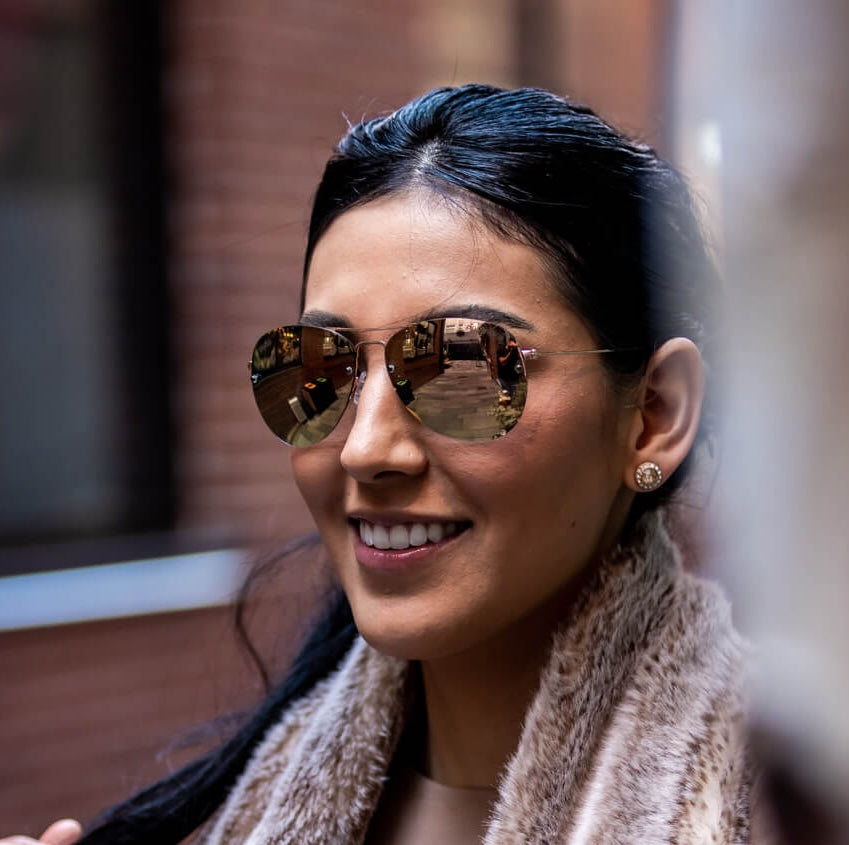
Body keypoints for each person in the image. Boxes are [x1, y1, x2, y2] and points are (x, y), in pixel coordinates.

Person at [5, 84, 756, 844]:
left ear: (653, 415)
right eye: (318, 371)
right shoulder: (249, 814)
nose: (365, 448)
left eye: (464, 366)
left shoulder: (793, 805)